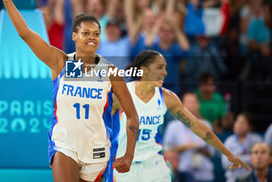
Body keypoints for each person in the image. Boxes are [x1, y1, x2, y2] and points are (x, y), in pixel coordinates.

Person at [0, 0, 139, 182]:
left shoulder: (110, 72)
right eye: (86, 33)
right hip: (65, 145)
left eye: (96, 33)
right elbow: (26, 34)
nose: (92, 37)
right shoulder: (62, 63)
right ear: (74, 36)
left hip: (97, 150)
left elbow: (132, 115)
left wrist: (129, 153)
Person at [112, 50, 250, 182]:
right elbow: (100, 123)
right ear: (144, 70)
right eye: (160, 67)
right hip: (125, 165)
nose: (165, 72)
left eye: (165, 68)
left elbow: (198, 127)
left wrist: (228, 154)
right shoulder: (122, 93)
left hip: (154, 165)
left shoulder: (168, 97)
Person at [164, 92, 215, 182]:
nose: (190, 105)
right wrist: (184, 147)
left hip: (204, 173)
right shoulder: (173, 126)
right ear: (182, 104)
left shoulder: (206, 125)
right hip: (182, 172)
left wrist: (200, 149)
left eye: (193, 102)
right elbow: (167, 151)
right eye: (188, 102)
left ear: (198, 105)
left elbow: (212, 151)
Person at [222, 113, 263, 182]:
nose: (239, 125)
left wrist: (234, 158)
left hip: (251, 179)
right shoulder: (229, 141)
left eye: (242, 123)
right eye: (237, 122)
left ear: (250, 126)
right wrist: (249, 158)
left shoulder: (256, 139)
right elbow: (225, 163)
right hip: (233, 179)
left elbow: (259, 159)